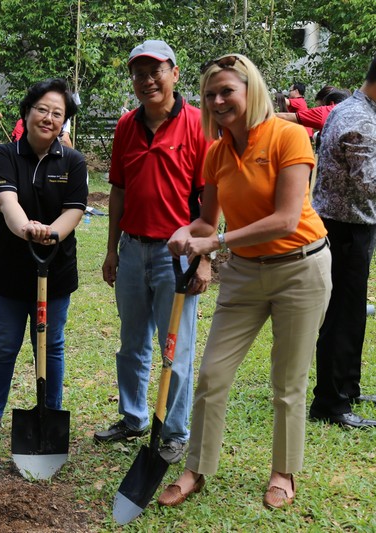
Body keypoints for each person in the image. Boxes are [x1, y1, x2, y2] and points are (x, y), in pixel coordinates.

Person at [157, 54, 331, 510]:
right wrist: (187, 232)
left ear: (250, 91)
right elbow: (206, 220)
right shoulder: (216, 153)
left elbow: (286, 219)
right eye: (211, 94)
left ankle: (283, 471)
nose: (217, 101)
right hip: (244, 274)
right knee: (212, 374)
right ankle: (195, 467)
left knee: (288, 381)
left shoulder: (289, 136)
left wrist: (213, 243)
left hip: (300, 268)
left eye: (227, 91)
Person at [94, 39, 210, 466]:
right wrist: (111, 250)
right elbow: (119, 191)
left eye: (155, 71)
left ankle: (175, 431)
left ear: (175, 73)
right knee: (131, 343)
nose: (147, 81)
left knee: (175, 348)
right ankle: (133, 416)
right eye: (139, 73)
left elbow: (208, 199)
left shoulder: (198, 124)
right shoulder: (126, 125)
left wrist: (204, 257)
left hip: (175, 255)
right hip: (132, 249)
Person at [0, 78, 87, 442]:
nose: (49, 118)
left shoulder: (73, 161)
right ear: (27, 112)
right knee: (4, 342)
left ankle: (49, 412)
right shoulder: (5, 155)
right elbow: (6, 201)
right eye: (42, 109)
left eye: (58, 113)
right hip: (9, 269)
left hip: (56, 270)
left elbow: (74, 210)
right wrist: (28, 229)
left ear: (63, 122)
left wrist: (51, 233)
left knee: (51, 344)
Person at [309, 57, 376, 429]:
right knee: (340, 316)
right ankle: (330, 403)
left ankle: (346, 388)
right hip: (344, 229)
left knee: (349, 314)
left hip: (350, 226)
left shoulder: (353, 109)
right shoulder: (359, 121)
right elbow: (370, 183)